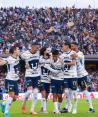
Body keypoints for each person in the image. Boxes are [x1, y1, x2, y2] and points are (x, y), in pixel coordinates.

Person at [71, 41, 95, 113]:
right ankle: (72, 108)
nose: (71, 47)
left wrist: (72, 55)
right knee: (73, 92)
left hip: (82, 75)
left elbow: (77, 56)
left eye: (72, 46)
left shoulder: (80, 53)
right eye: (71, 46)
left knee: (85, 91)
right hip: (74, 76)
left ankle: (91, 108)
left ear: (76, 46)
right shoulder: (72, 53)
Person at [0, 46, 20, 117]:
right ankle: (6, 112)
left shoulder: (17, 57)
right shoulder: (9, 59)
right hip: (9, 79)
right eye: (18, 49)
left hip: (15, 80)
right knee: (11, 96)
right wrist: (1, 62)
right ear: (14, 51)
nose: (19, 50)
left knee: (15, 98)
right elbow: (3, 62)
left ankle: (3, 103)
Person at [21, 41, 40, 115]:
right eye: (36, 47)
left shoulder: (39, 53)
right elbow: (19, 61)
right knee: (29, 91)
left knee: (35, 92)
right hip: (29, 75)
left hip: (37, 76)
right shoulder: (25, 54)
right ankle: (23, 103)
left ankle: (32, 110)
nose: (37, 49)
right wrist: (24, 65)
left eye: (38, 47)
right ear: (32, 46)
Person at [60, 41, 78, 114]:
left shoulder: (73, 53)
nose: (62, 47)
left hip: (73, 75)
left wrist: (64, 63)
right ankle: (69, 105)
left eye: (63, 46)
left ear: (67, 46)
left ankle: (75, 108)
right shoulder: (62, 55)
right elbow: (61, 64)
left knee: (74, 93)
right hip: (65, 76)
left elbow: (74, 63)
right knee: (66, 91)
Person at [44, 49, 64, 114]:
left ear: (58, 55)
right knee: (54, 94)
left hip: (60, 79)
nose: (54, 57)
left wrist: (48, 67)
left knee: (60, 96)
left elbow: (56, 71)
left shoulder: (61, 62)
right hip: (53, 79)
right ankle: (56, 110)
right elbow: (46, 54)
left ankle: (58, 107)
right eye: (53, 56)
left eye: (55, 56)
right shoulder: (51, 59)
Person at [39, 47, 51, 113]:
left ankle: (42, 108)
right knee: (43, 94)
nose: (48, 51)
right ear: (44, 51)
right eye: (47, 50)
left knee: (46, 96)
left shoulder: (51, 58)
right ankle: (44, 110)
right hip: (41, 79)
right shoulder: (40, 58)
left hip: (49, 80)